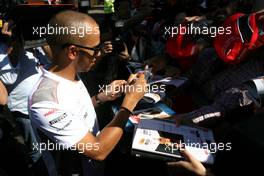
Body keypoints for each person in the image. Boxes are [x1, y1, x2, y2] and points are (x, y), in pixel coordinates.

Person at [28, 10, 147, 176]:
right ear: (73, 52)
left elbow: (73, 112)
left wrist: (101, 97)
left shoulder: (69, 74)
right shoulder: (44, 102)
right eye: (95, 48)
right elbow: (98, 150)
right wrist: (130, 103)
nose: (98, 54)